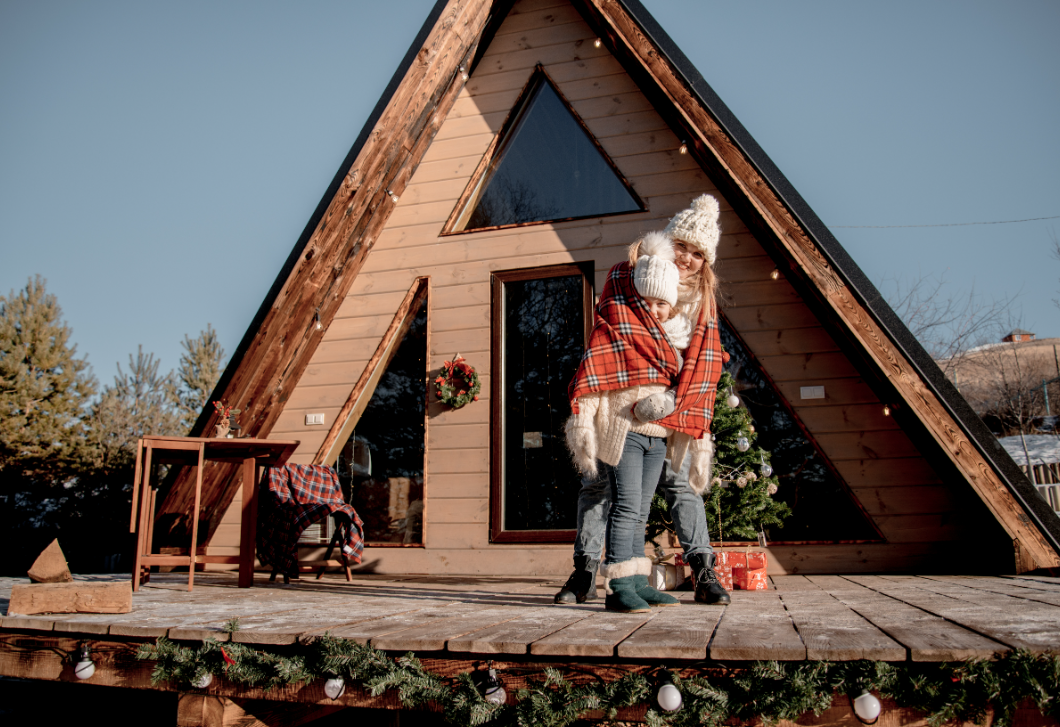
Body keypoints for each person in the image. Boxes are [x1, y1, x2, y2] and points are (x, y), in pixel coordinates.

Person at [558, 194, 731, 608]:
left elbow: (704, 360)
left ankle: (702, 570)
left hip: (674, 405)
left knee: (680, 484)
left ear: (706, 262)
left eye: (697, 254)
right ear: (666, 240)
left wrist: (675, 397)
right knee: (598, 484)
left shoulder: (701, 301)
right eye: (681, 246)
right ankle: (584, 571)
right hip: (620, 400)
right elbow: (613, 331)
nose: (686, 258)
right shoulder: (627, 276)